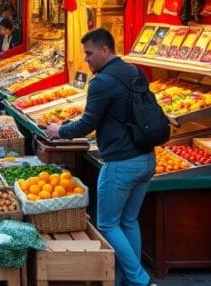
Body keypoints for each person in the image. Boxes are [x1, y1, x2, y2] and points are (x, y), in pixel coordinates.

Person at [47, 28, 157, 286]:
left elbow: (87, 123)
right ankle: (132, 278)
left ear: (105, 50)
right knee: (129, 220)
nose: (86, 59)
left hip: (121, 163)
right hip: (146, 157)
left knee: (107, 224)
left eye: (89, 53)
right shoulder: (134, 71)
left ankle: (140, 279)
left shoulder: (102, 82)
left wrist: (59, 130)